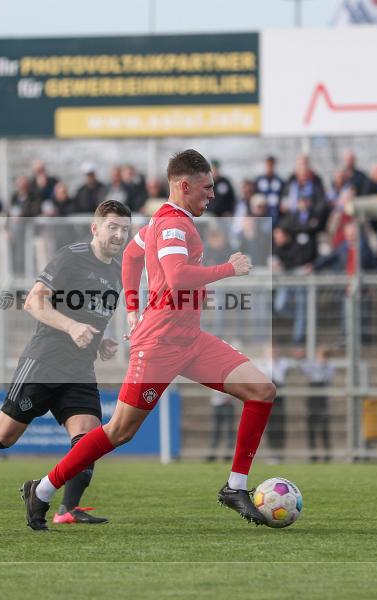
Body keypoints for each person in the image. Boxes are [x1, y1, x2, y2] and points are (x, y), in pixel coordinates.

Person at [20, 149, 275, 530]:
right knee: (119, 431)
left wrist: (134, 308)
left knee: (262, 390)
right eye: (206, 188)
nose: (211, 195)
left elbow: (131, 257)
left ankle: (235, 487)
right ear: (184, 185)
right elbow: (176, 277)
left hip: (189, 339)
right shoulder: (173, 225)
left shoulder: (163, 221)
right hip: (159, 345)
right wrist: (228, 269)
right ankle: (41, 490)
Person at [0, 200, 132, 526]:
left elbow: (93, 315)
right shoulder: (71, 255)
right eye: (113, 227)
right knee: (1, 437)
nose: (119, 234)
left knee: (89, 441)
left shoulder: (117, 273)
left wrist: (101, 341)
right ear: (96, 228)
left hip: (79, 368)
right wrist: (72, 326)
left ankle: (67, 509)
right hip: (45, 360)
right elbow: (34, 302)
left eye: (124, 229)